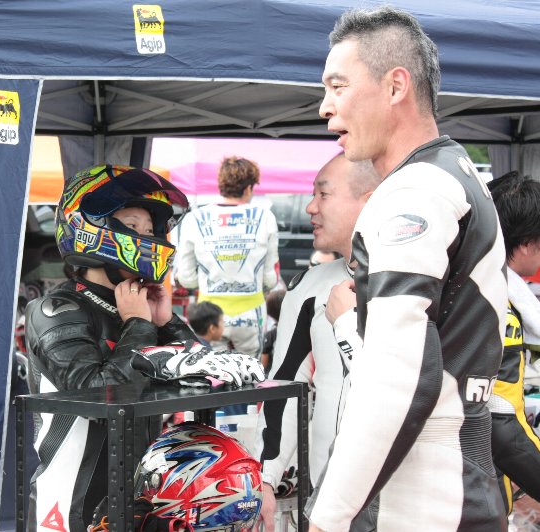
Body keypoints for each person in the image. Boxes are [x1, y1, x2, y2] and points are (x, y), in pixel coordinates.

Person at [307, 6, 508, 530]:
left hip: (424, 498)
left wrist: (327, 518)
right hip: (454, 482)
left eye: (338, 86)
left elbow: (398, 378)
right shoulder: (453, 172)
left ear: (396, 86)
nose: (325, 107)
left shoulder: (416, 190)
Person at [23, 165, 201, 532]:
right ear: (91, 228)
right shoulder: (54, 310)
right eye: (132, 226)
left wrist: (166, 321)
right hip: (71, 510)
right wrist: (140, 325)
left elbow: (205, 377)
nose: (146, 237)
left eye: (150, 230)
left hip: (140, 501)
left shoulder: (142, 311)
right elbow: (100, 399)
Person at [255, 155, 381, 531]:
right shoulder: (310, 285)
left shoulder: (420, 282)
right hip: (325, 500)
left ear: (370, 200)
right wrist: (265, 478)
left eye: (323, 194)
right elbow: (285, 385)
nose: (310, 207)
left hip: (401, 497)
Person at [175, 156, 279, 359]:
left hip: (210, 314)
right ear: (248, 188)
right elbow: (270, 278)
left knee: (214, 371)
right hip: (251, 312)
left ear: (221, 185)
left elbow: (185, 277)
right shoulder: (265, 217)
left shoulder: (194, 218)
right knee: (250, 370)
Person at [487, 171, 540, 514]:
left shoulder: (464, 282)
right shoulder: (499, 303)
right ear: (525, 244)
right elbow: (502, 422)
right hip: (474, 495)